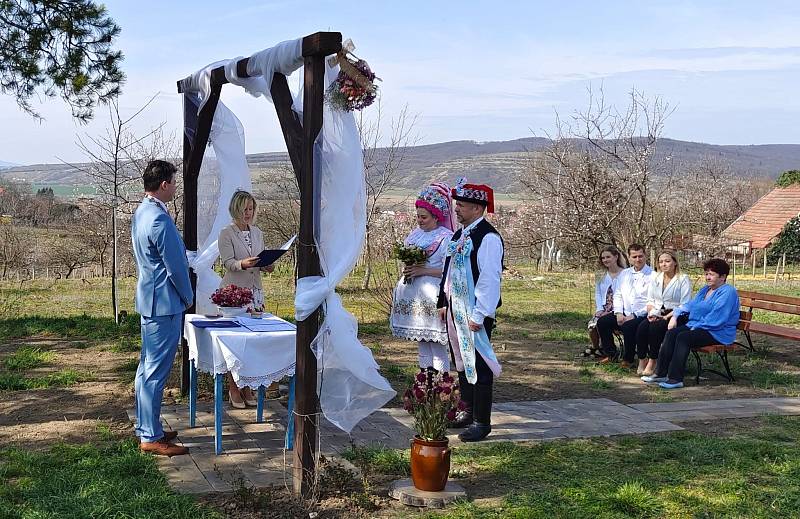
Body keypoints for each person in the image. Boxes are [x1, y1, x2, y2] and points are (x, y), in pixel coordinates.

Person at [132, 160, 192, 456]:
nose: (176, 187)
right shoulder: (159, 219)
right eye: (174, 182)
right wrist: (188, 296)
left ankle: (147, 426)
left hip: (149, 297)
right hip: (165, 303)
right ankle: (151, 436)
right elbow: (176, 267)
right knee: (155, 371)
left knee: (147, 368)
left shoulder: (142, 211)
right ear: (165, 184)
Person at [437, 178, 503, 442]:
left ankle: (481, 422)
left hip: (475, 314)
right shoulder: (459, 235)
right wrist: (443, 301)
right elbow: (449, 271)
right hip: (455, 310)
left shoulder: (488, 237)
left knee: (481, 364)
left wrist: (480, 314)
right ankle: (466, 411)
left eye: (461, 205)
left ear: (477, 208)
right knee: (462, 361)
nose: (456, 209)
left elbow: (489, 278)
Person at [642, 258, 740, 389]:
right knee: (672, 333)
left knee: (684, 337)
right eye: (706, 274)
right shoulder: (705, 290)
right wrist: (675, 315)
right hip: (700, 326)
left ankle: (675, 378)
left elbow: (718, 318)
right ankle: (660, 373)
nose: (707, 277)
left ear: (723, 277)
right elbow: (689, 305)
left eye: (711, 274)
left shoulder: (728, 292)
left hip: (718, 331)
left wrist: (694, 327)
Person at [218, 190, 275, 408]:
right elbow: (228, 262)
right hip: (235, 293)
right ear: (236, 209)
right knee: (237, 341)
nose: (248, 213)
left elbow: (263, 260)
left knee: (253, 341)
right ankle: (234, 387)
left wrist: (268, 264)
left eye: (251, 209)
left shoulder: (257, 232)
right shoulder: (226, 233)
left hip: (255, 292)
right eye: (244, 209)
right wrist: (244, 263)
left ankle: (249, 386)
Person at [390, 183, 454, 374]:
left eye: (424, 217)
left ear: (437, 216)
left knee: (436, 342)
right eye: (418, 216)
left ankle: (441, 382)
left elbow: (448, 270)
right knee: (423, 341)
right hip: (413, 296)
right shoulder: (415, 235)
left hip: (433, 295)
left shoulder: (446, 237)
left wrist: (423, 270)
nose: (420, 220)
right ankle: (425, 382)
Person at [635, 251, 692, 376]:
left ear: (675, 262)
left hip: (676, 316)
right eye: (661, 262)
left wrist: (666, 316)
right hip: (657, 313)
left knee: (656, 328)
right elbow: (650, 300)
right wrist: (651, 314)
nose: (664, 264)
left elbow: (685, 304)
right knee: (642, 327)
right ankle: (641, 360)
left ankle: (653, 361)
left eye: (667, 261)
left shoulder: (683, 279)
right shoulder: (656, 278)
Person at [595, 244, 653, 365]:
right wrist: (618, 313)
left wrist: (634, 315)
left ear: (645, 256)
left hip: (641, 315)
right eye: (634, 256)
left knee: (629, 326)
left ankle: (628, 359)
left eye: (640, 256)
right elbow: (618, 294)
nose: (638, 259)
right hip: (623, 312)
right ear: (629, 257)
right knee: (602, 322)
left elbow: (652, 301)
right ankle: (611, 354)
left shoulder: (653, 275)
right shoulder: (625, 274)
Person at [582, 246, 626, 359]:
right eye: (603, 258)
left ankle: (610, 351)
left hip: (619, 309)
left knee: (605, 322)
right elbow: (598, 293)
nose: (605, 260)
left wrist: (615, 310)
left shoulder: (625, 274)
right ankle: (597, 348)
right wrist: (600, 309)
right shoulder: (601, 275)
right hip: (604, 308)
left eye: (608, 257)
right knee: (592, 326)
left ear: (616, 257)